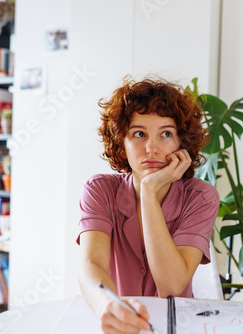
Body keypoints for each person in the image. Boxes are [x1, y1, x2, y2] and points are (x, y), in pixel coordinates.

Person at [76, 76, 220, 333]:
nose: (151, 148)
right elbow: (91, 265)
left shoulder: (200, 196)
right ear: (123, 142)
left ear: (181, 143)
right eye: (139, 134)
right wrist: (107, 305)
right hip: (117, 323)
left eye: (166, 134)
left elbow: (172, 286)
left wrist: (149, 192)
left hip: (179, 327)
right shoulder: (99, 190)